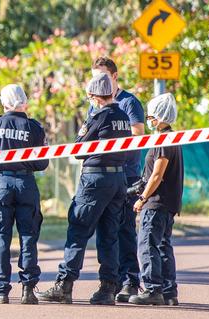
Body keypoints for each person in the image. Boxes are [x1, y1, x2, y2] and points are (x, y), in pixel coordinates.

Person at [37, 73, 131, 305]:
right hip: (118, 179)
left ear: (95, 96)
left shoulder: (97, 116)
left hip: (95, 180)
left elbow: (79, 149)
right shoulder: (123, 116)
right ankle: (108, 288)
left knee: (78, 230)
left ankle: (64, 284)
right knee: (109, 236)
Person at [0, 84, 49, 305]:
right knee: (28, 236)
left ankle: (0, 291)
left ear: (4, 103)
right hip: (26, 183)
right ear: (24, 101)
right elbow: (42, 162)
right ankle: (28, 289)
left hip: (1, 182)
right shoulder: (35, 128)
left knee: (0, 237)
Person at [90, 56, 145, 302]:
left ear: (114, 77)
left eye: (102, 77)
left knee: (125, 230)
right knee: (106, 231)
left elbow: (137, 134)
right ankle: (111, 281)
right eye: (94, 78)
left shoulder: (129, 102)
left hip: (127, 173)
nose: (98, 83)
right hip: (101, 175)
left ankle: (131, 280)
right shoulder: (94, 104)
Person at [129, 93, 184, 306]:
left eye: (152, 117)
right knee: (163, 246)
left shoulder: (163, 140)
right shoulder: (175, 139)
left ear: (160, 117)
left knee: (147, 244)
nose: (150, 120)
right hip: (169, 202)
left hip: (157, 202)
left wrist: (143, 198)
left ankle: (152, 289)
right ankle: (169, 291)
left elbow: (157, 174)